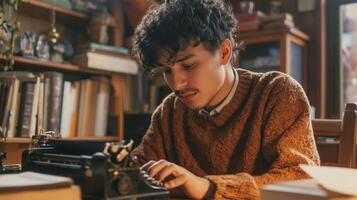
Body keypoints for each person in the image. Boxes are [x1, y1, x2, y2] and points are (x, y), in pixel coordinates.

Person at [130, 0, 320, 199]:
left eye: (188, 66)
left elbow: (301, 178)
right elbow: (138, 167)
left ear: (224, 52)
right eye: (167, 71)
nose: (176, 84)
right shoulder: (170, 110)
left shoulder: (277, 93)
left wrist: (208, 188)